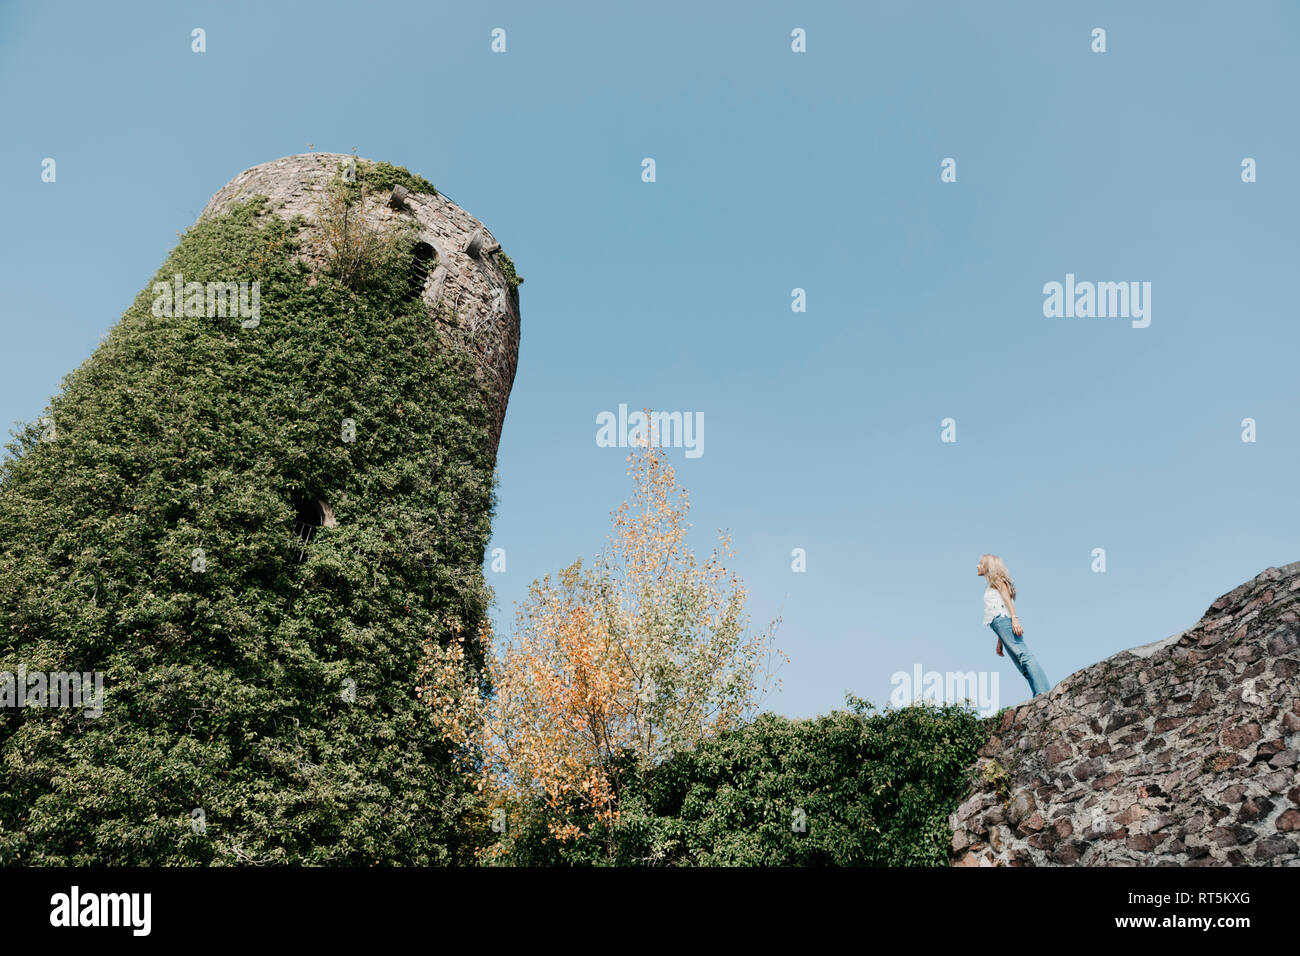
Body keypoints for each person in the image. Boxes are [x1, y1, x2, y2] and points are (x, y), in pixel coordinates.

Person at [977, 553, 1051, 697]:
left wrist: (1015, 620)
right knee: (1020, 664)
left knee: (1024, 655)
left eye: (980, 563)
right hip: (1000, 625)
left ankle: (1043, 691)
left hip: (1004, 621)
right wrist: (1000, 640)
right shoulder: (991, 584)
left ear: (988, 566)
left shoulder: (998, 581)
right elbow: (998, 609)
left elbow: (1008, 602)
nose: (977, 566)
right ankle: (1038, 694)